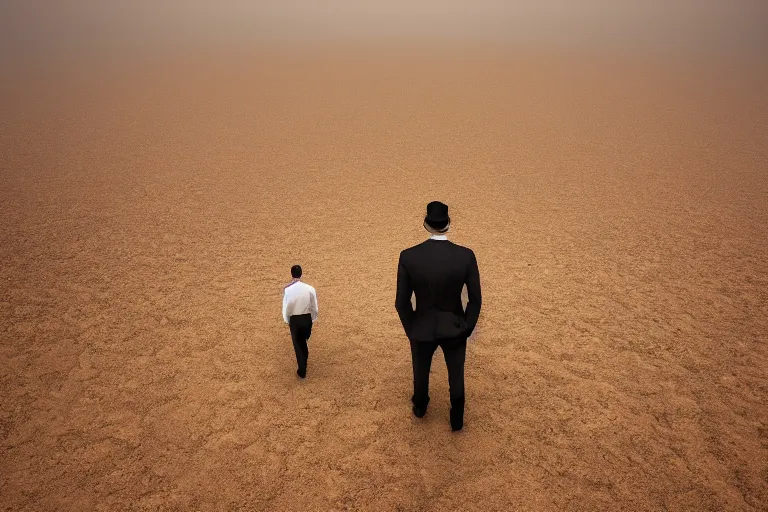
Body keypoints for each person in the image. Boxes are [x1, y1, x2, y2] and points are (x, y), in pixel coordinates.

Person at [395, 201, 482, 431]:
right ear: (448, 224)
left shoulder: (408, 256)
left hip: (421, 327)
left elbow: (401, 302)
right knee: (456, 375)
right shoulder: (466, 256)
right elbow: (475, 300)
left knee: (420, 372)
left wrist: (411, 329)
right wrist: (466, 327)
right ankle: (457, 418)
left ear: (426, 224)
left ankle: (421, 407)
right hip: (454, 326)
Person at [282, 265, 318, 379]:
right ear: (301, 274)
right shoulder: (310, 288)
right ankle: (304, 360)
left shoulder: (288, 290)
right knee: (303, 341)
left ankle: (302, 369)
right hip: (307, 319)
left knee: (298, 345)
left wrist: (287, 320)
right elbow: (314, 307)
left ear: (292, 275)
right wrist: (312, 318)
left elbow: (287, 308)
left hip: (295, 320)